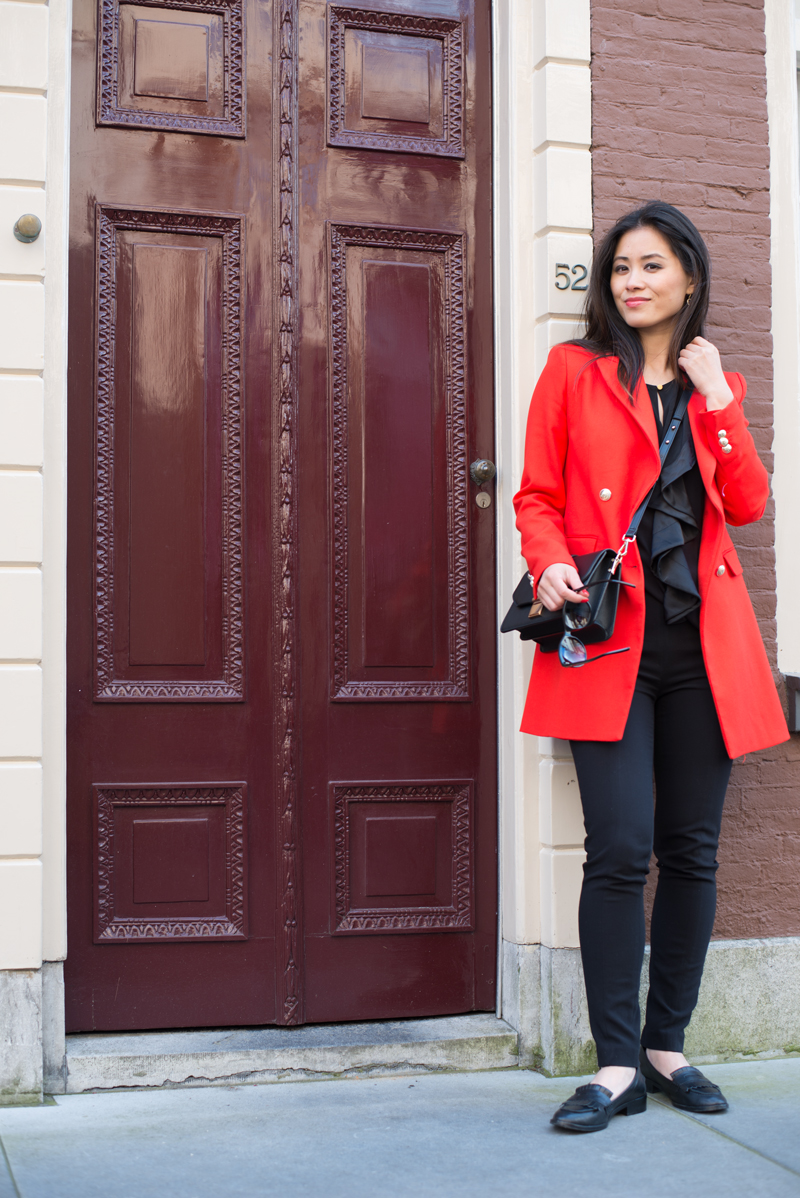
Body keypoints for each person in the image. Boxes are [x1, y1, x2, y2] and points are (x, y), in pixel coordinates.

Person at [513, 201, 789, 1134]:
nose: (632, 281)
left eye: (652, 266)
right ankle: (616, 1064)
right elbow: (537, 494)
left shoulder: (719, 388)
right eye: (621, 267)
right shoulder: (573, 373)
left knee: (692, 852)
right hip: (611, 645)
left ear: (689, 280)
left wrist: (716, 398)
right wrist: (546, 556)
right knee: (620, 851)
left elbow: (746, 504)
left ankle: (669, 1047)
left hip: (705, 654)